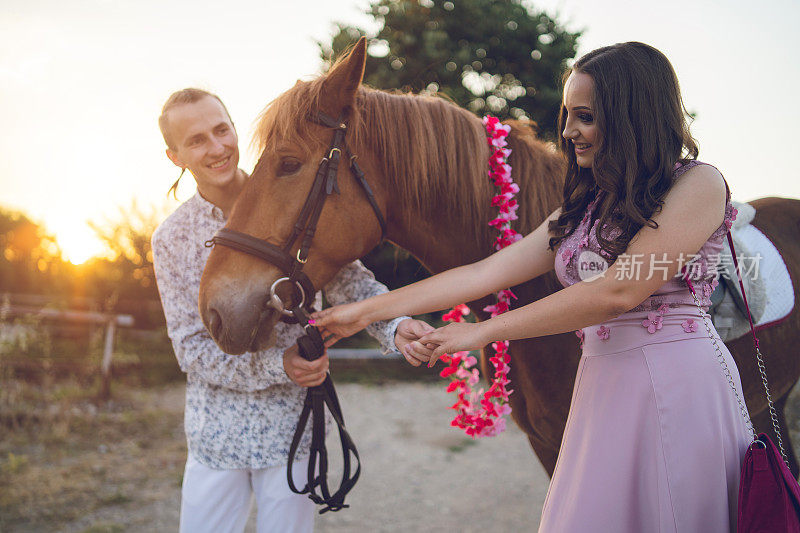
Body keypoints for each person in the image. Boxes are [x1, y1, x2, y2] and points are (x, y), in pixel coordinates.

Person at [312, 43, 752, 531]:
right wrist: (366, 311)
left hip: (677, 384)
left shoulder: (698, 185)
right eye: (567, 116)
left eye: (584, 116)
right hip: (604, 384)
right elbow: (483, 273)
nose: (567, 132)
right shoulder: (582, 208)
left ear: (631, 115)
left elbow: (617, 292)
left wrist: (481, 332)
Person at [151, 88, 434, 533]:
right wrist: (277, 365)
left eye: (222, 129)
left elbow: (349, 281)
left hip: (294, 430)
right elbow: (190, 349)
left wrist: (394, 327)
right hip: (216, 438)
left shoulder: (291, 196)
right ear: (175, 156)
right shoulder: (172, 238)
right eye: (197, 139)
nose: (218, 146)